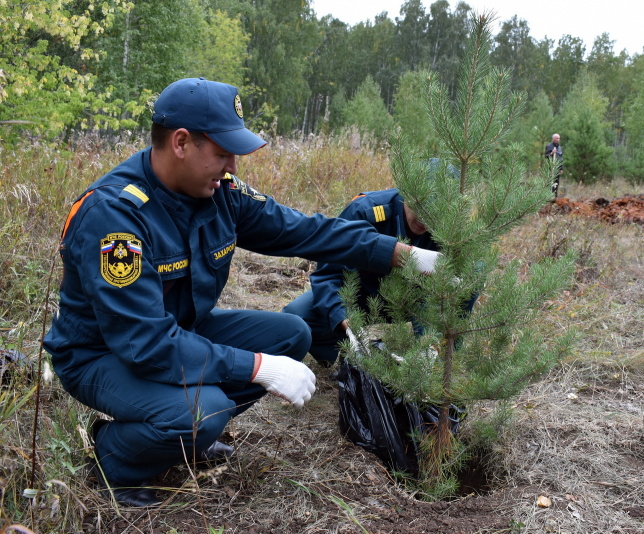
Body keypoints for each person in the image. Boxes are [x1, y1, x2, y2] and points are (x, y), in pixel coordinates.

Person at [42, 78, 441, 507]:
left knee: (291, 334)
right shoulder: (116, 218)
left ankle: (187, 437)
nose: (233, 165)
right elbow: (145, 343)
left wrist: (402, 254)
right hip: (104, 355)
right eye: (222, 153)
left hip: (179, 331)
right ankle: (116, 456)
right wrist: (256, 367)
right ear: (181, 143)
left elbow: (306, 231)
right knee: (205, 408)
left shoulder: (219, 194)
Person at [282, 166, 471, 367]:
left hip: (418, 300)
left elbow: (468, 279)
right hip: (363, 296)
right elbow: (329, 275)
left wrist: (431, 343)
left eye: (437, 213)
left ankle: (438, 358)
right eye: (422, 208)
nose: (426, 220)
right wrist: (347, 322)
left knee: (472, 273)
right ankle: (342, 351)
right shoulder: (364, 211)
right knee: (298, 315)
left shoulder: (453, 229)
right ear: (407, 191)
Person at [544, 133, 563, 198]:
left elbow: (561, 158)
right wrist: (552, 153)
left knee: (556, 182)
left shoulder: (559, 147)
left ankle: (555, 197)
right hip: (551, 167)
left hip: (557, 168)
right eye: (557, 138)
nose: (558, 139)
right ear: (553, 139)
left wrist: (561, 168)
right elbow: (546, 156)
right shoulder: (549, 146)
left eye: (559, 138)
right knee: (550, 182)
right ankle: (548, 196)